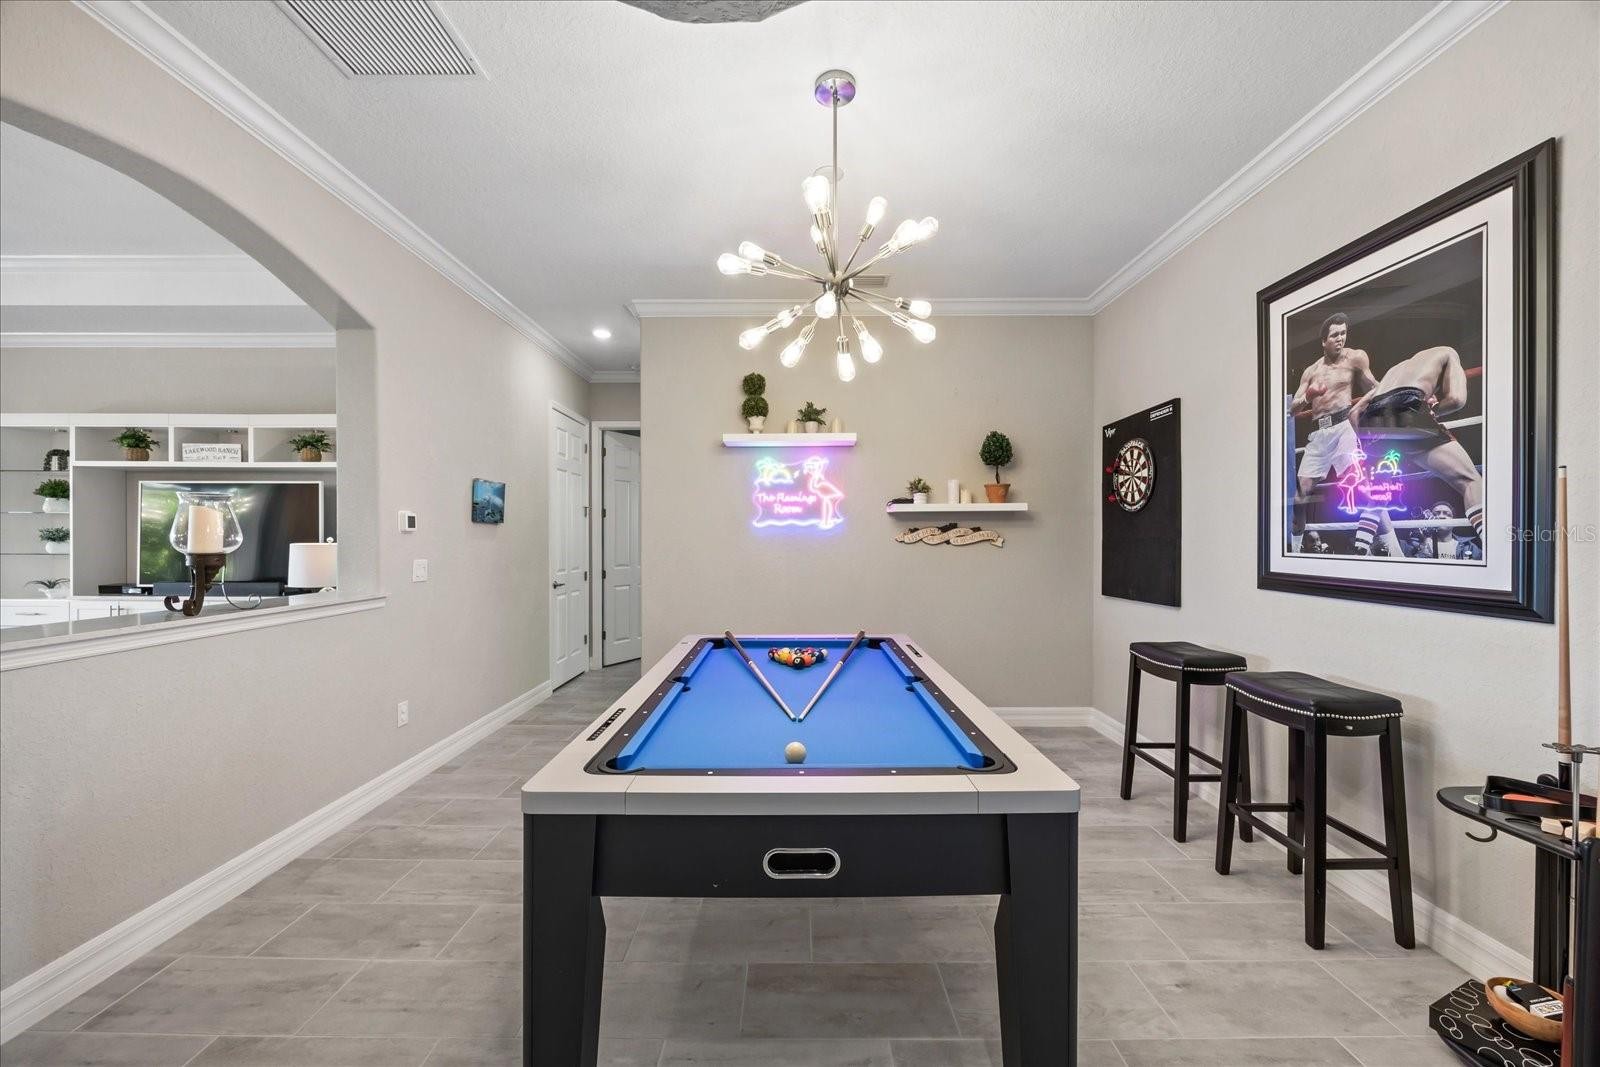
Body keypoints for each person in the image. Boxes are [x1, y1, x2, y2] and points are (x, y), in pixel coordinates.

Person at [1350, 345, 1485, 543]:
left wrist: (1367, 447)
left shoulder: (1393, 372)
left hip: (1374, 420)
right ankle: (1494, 545)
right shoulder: (1448, 352)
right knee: (1470, 481)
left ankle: (1360, 547)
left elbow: (1354, 413)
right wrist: (1432, 411)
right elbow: (1456, 400)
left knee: (1379, 496)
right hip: (1408, 409)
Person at [1287, 313, 1377, 551]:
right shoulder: (1312, 371)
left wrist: (1359, 407)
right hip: (1319, 435)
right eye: (1335, 335)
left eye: (1343, 333)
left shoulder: (1355, 358)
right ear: (1323, 341)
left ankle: (1388, 547)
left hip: (1344, 427)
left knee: (1359, 486)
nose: (1340, 338)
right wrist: (1309, 396)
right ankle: (1295, 551)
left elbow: (1376, 388)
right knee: (1300, 498)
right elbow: (1293, 409)